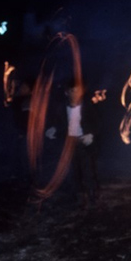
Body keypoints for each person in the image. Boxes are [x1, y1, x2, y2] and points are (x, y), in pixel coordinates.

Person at [46, 79, 101, 208]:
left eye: (78, 91)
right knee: (73, 171)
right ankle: (79, 197)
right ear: (67, 92)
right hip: (69, 143)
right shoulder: (61, 107)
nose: (75, 94)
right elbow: (59, 123)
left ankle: (92, 196)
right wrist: (53, 129)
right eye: (72, 91)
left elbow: (98, 123)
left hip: (83, 142)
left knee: (88, 170)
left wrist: (91, 134)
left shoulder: (88, 106)